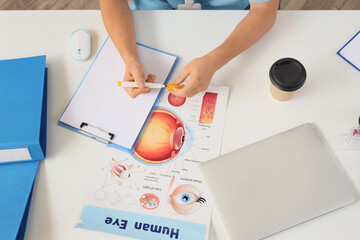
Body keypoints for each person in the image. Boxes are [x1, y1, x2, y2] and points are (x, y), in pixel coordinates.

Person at [100, 0, 279, 98]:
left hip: (233, 22)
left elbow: (264, 9)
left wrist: (216, 59)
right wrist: (129, 57)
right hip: (149, 19)